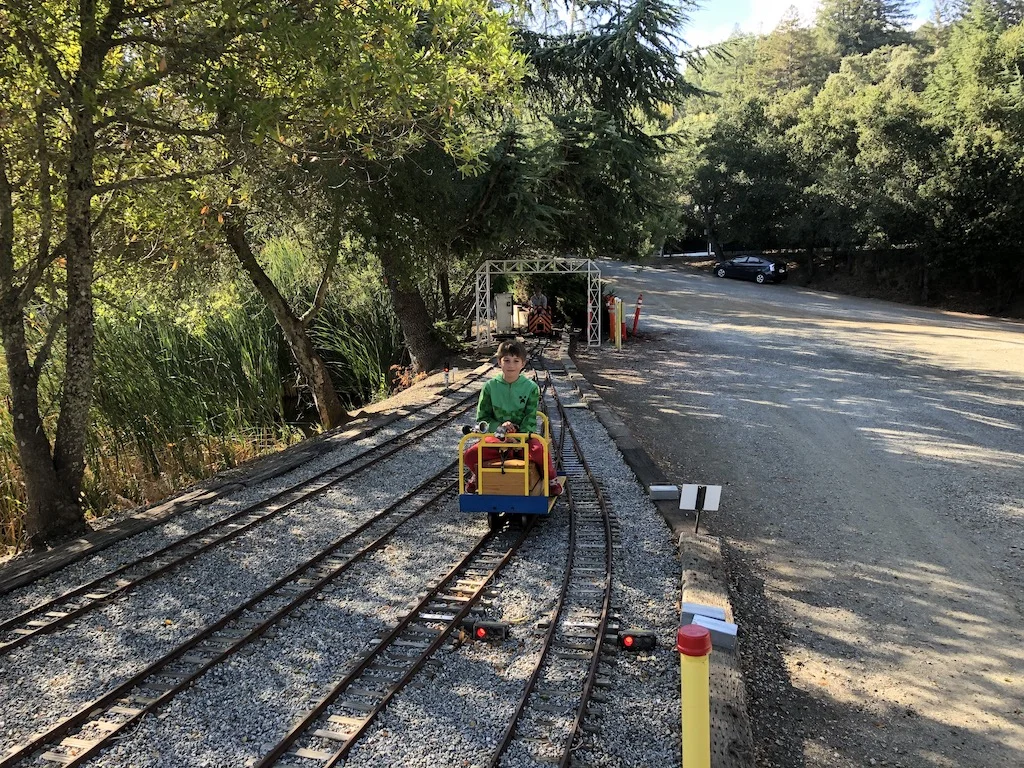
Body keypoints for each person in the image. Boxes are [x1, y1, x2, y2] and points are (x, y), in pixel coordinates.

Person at [463, 340, 562, 496]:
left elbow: (530, 416)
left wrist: (518, 438)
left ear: (523, 363)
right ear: (499, 362)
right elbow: (482, 418)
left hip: (523, 436)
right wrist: (501, 428)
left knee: (539, 450)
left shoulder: (530, 388)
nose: (511, 365)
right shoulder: (489, 387)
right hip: (497, 436)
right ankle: (478, 473)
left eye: (516, 361)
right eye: (506, 360)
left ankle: (550, 478)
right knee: (469, 454)